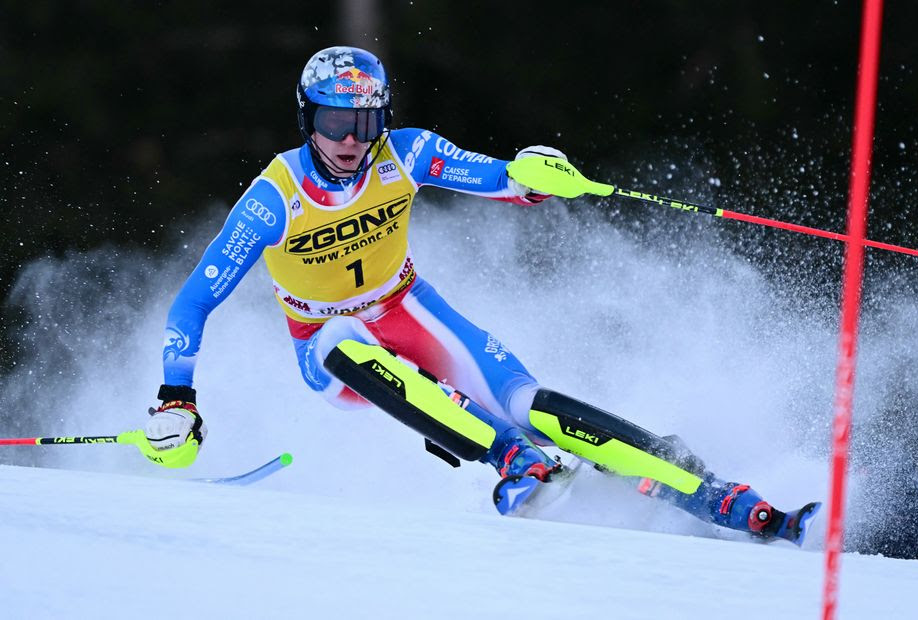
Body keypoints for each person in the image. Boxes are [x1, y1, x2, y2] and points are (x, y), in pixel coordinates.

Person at [145, 46, 817, 543]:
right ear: (305, 118)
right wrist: (177, 399)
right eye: (333, 121)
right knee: (339, 341)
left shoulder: (402, 154)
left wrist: (535, 177)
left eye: (365, 120)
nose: (351, 140)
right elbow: (193, 303)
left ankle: (725, 498)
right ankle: (513, 460)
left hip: (409, 310)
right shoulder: (274, 198)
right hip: (328, 347)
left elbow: (497, 176)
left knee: (532, 403)